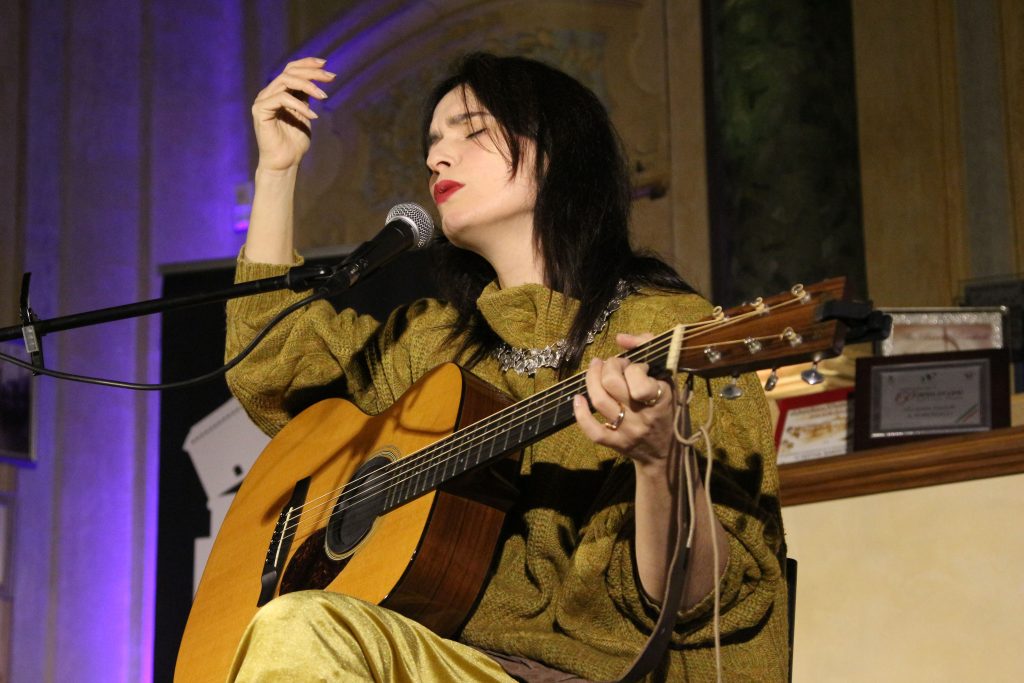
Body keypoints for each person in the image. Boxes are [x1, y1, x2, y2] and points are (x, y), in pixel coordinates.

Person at [224, 52, 788, 681]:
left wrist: (661, 464)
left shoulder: (666, 332)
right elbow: (271, 363)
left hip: (602, 675)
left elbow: (702, 602)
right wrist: (277, 171)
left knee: (299, 625)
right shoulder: (435, 345)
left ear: (558, 152)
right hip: (451, 662)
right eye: (432, 143)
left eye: (470, 131)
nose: (437, 158)